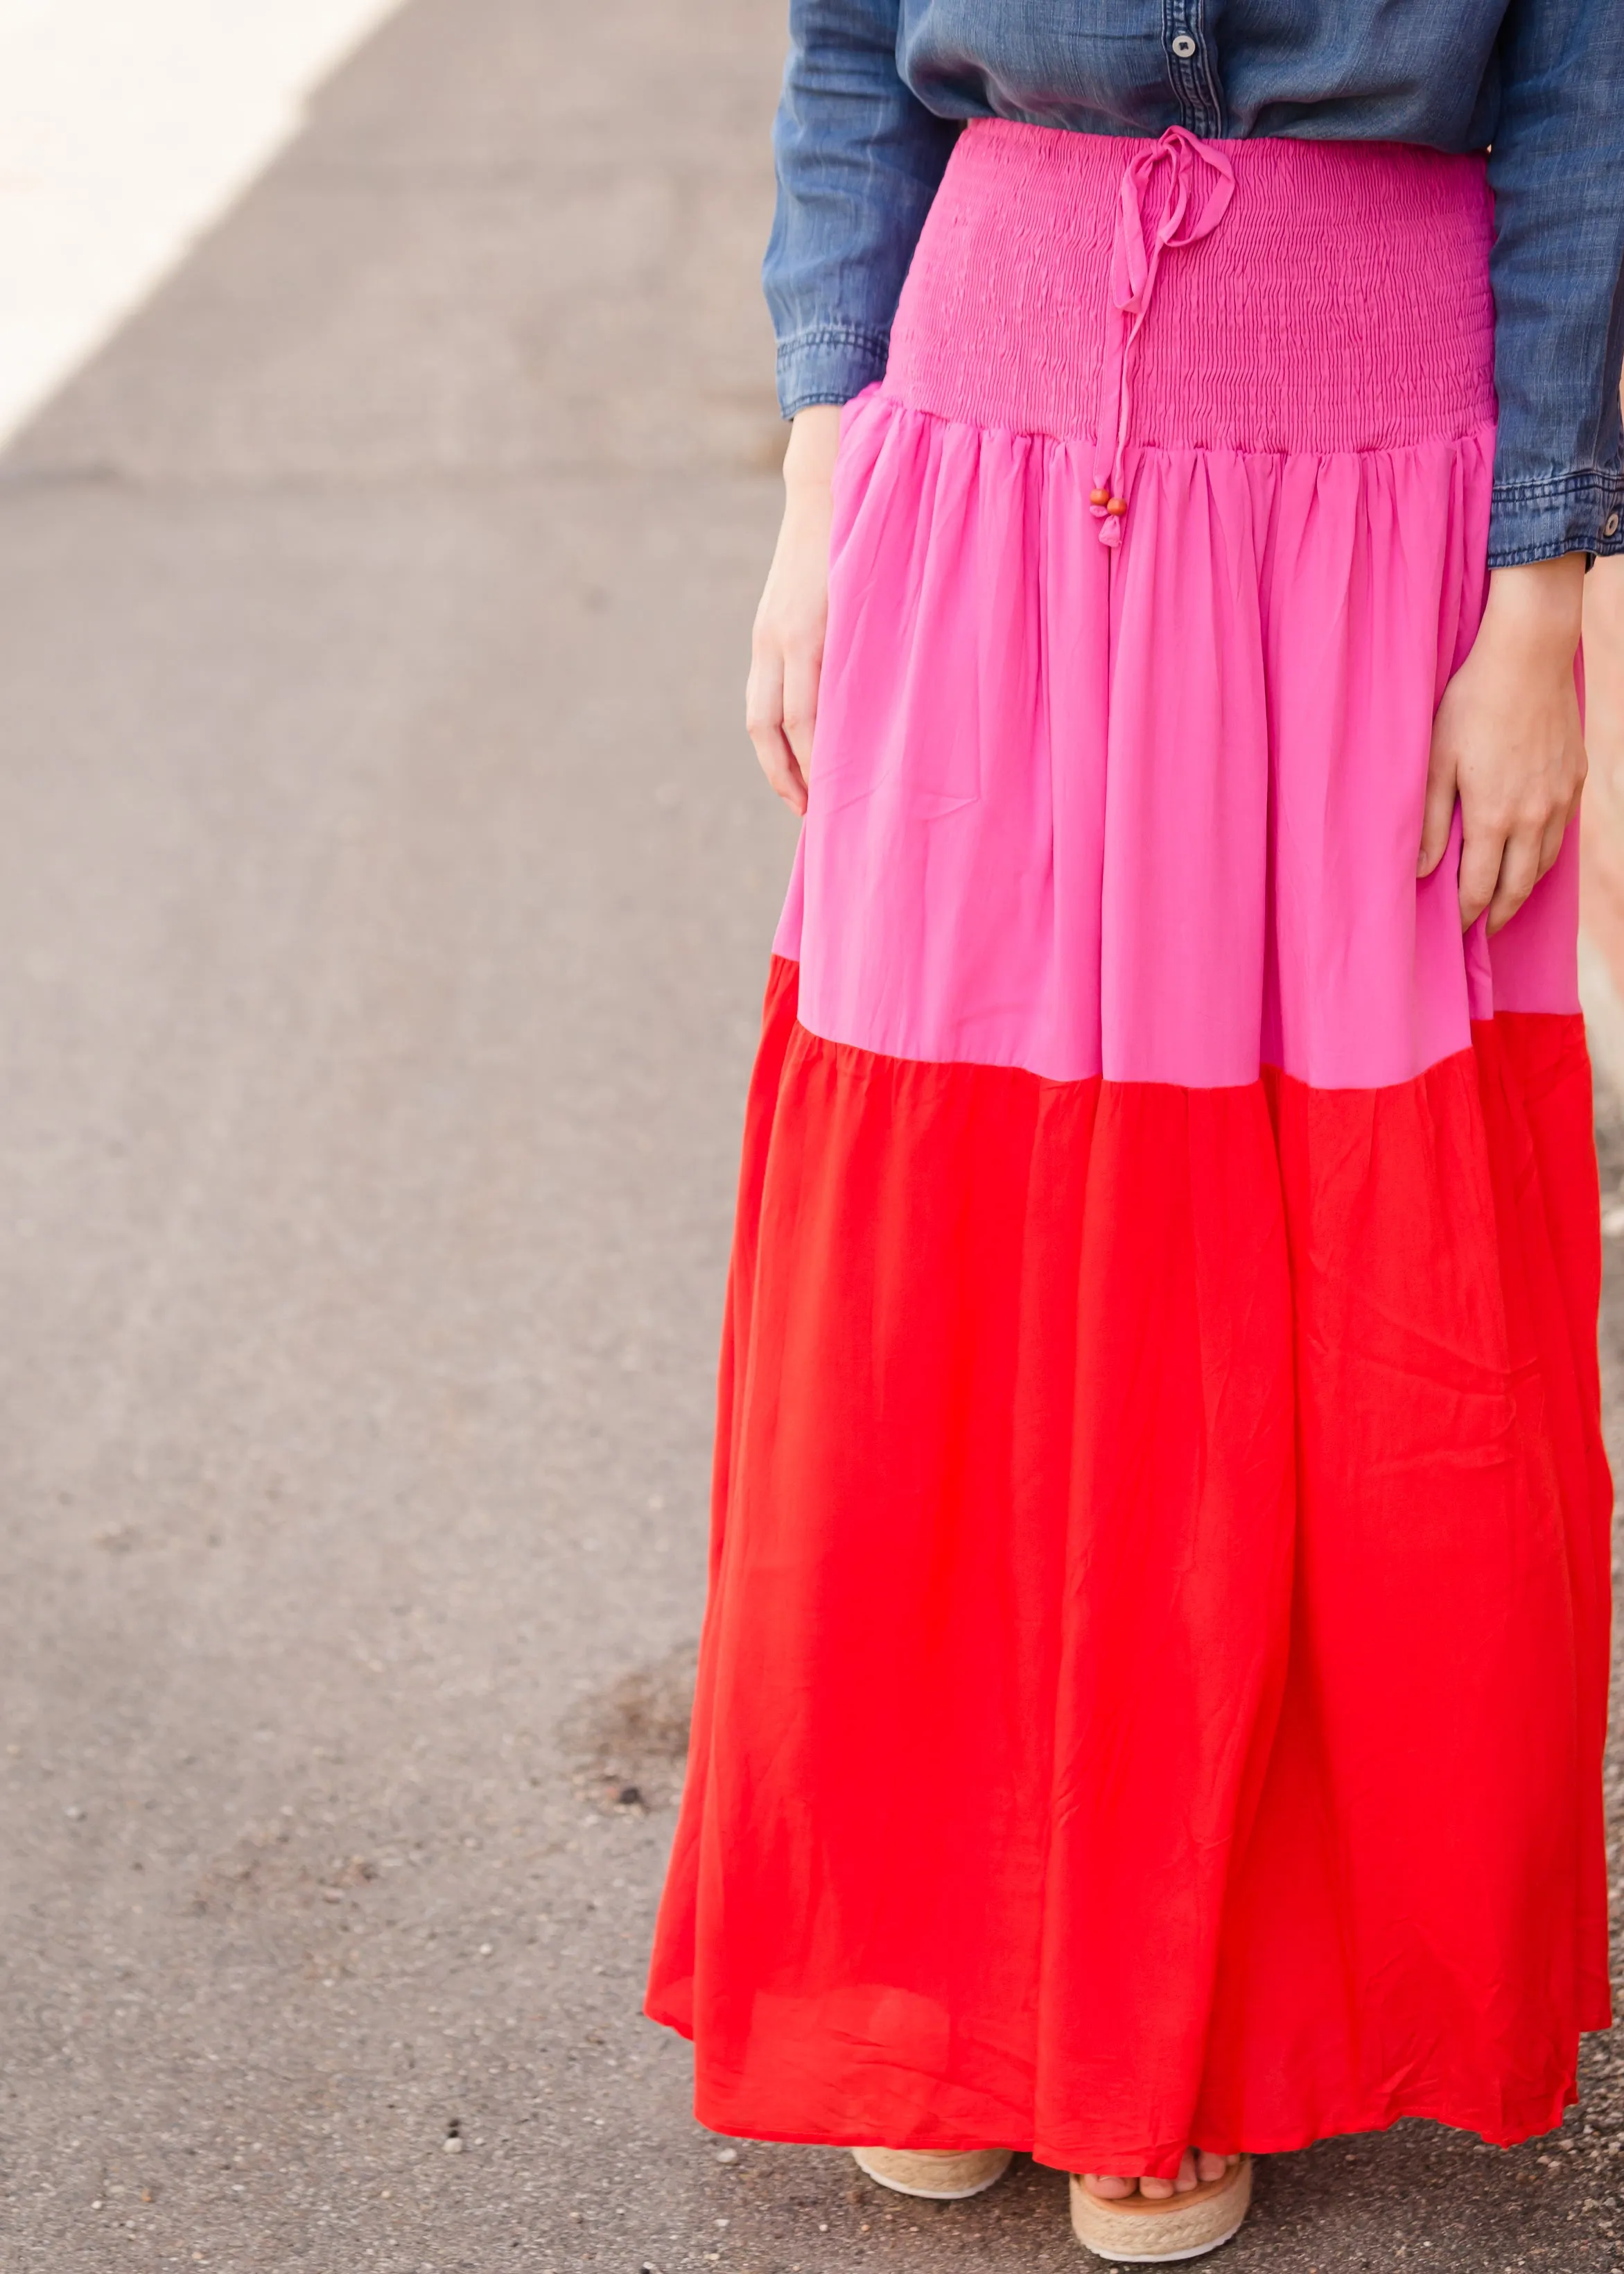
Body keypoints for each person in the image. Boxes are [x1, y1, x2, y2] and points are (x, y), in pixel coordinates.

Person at [646, 3, 1624, 2260]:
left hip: (1373, 494)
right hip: (971, 468)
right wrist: (817, 500)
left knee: (1307, 1271)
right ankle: (964, 1987)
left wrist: (1539, 602)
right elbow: (850, 75)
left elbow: (1586, 107)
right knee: (951, 1253)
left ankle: (1172, 2014)